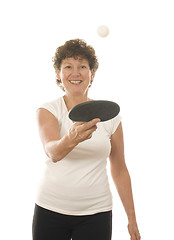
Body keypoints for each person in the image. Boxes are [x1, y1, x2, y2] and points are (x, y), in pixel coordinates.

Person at [32, 39, 141, 240]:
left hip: (96, 212)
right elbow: (53, 152)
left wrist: (132, 219)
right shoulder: (48, 110)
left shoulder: (111, 117)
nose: (76, 73)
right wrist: (71, 138)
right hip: (50, 209)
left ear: (92, 73)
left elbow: (119, 169)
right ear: (58, 73)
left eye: (82, 66)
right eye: (68, 67)